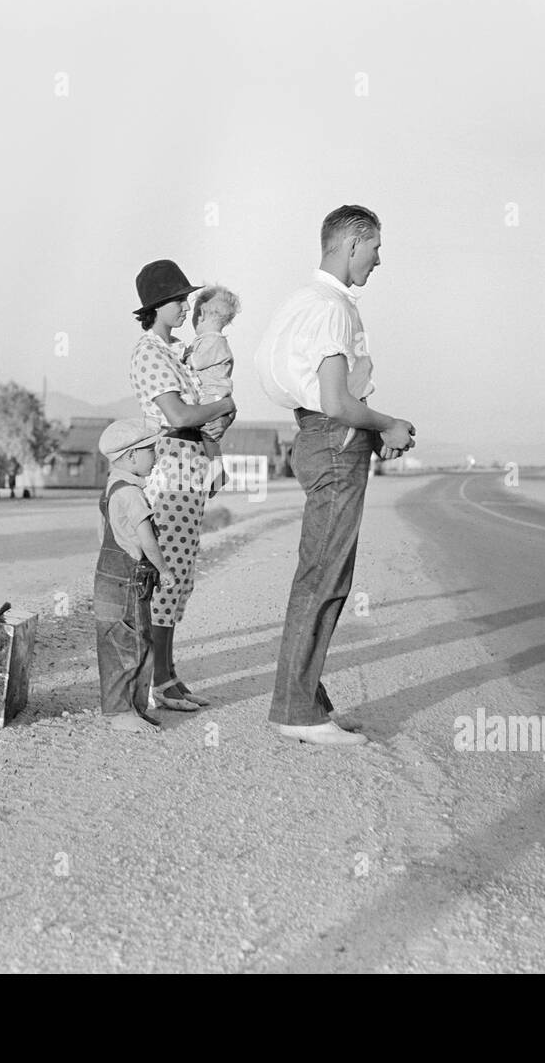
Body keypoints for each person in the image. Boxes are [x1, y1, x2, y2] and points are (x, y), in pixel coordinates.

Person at [255, 205, 416, 747]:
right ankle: (296, 710)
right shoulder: (332, 309)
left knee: (321, 571)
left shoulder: (305, 301)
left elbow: (317, 397)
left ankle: (307, 699)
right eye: (374, 247)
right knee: (325, 575)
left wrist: (371, 432)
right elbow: (336, 401)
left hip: (319, 436)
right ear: (351, 245)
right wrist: (387, 423)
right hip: (333, 438)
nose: (379, 258)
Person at [128, 259, 237, 711]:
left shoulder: (179, 351)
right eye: (177, 299)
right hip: (170, 463)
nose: (184, 304)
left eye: (185, 297)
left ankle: (167, 674)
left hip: (190, 463)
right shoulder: (149, 352)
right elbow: (179, 416)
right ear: (155, 306)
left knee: (181, 574)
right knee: (167, 574)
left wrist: (215, 459)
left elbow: (200, 413)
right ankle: (159, 680)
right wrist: (225, 405)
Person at [94, 419, 177, 734]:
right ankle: (121, 712)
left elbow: (102, 531)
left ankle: (132, 708)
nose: (155, 456)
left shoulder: (112, 487)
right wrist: (165, 570)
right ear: (130, 457)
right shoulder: (131, 495)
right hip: (126, 580)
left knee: (124, 640)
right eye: (149, 450)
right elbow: (147, 541)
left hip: (109, 576)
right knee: (130, 643)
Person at [187, 284, 241, 497]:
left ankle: (218, 472)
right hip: (218, 398)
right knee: (209, 438)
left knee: (208, 437)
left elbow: (196, 363)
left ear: (200, 315)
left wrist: (181, 356)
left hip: (214, 398)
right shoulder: (214, 341)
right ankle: (217, 471)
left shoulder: (213, 341)